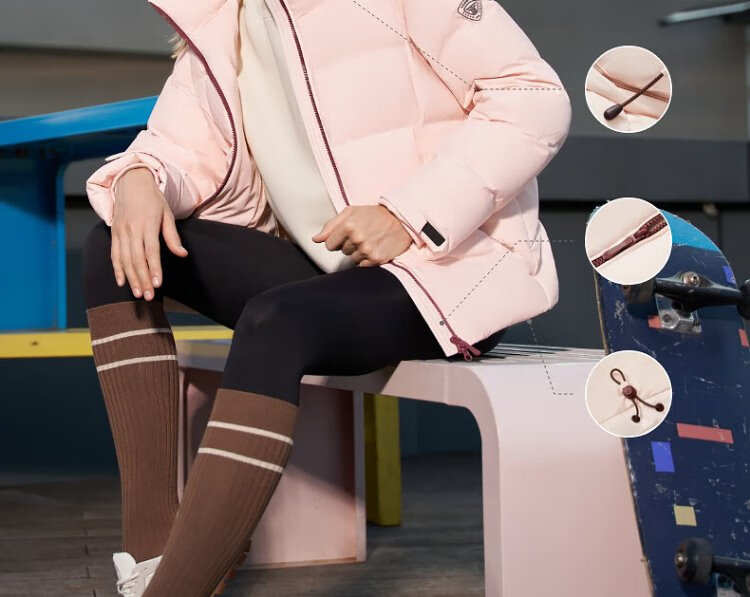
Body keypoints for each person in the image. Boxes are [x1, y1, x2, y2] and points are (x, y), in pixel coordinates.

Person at [81, 0, 571, 594]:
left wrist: (409, 214)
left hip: (450, 271)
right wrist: (141, 178)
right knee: (113, 243)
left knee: (276, 320)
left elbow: (533, 98)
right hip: (326, 268)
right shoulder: (225, 19)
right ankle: (154, 552)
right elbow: (184, 150)